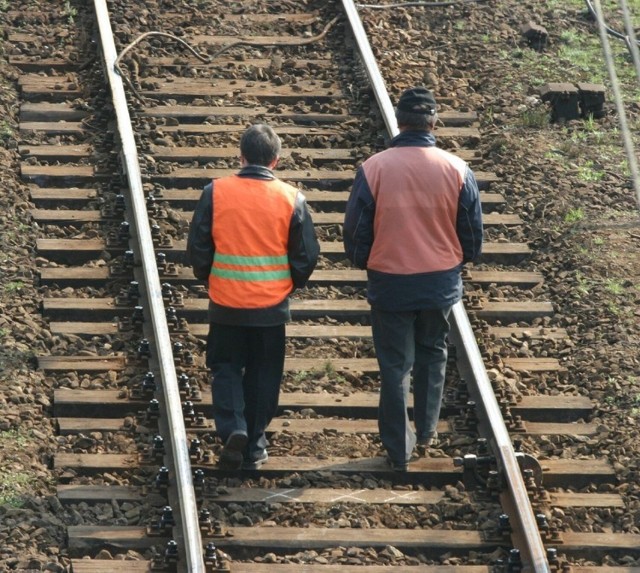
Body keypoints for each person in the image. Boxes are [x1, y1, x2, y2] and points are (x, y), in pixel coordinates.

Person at [343, 87, 483, 472]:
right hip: (437, 282)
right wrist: (455, 260)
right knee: (433, 352)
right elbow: (472, 235)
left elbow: (355, 232)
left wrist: (366, 262)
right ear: (433, 123)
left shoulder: (374, 168)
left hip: (390, 281)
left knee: (394, 364)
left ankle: (396, 447)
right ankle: (425, 432)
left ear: (401, 122)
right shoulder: (457, 169)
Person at [186, 124, 320, 470]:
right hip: (270, 308)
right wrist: (286, 285)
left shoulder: (215, 192)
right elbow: (306, 257)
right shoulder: (292, 198)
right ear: (275, 161)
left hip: (226, 302)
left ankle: (234, 428)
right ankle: (256, 443)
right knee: (264, 372)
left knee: (226, 367)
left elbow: (198, 248)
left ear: (241, 157)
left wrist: (210, 278)